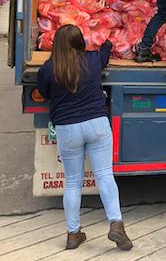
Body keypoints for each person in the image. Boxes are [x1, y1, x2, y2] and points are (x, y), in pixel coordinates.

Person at [37, 25, 132, 251]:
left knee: (72, 182)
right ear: (80, 42)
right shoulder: (91, 59)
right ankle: (116, 224)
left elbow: (45, 92)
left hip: (67, 129)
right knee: (105, 176)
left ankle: (73, 234)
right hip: (96, 124)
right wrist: (108, 40)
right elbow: (106, 52)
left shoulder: (49, 69)